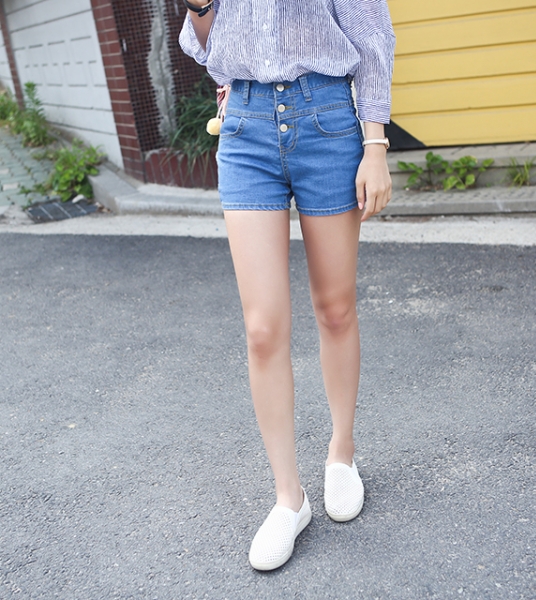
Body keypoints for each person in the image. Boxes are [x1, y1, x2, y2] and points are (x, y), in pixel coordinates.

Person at [179, 0, 395, 571]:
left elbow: (373, 34)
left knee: (335, 308)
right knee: (262, 329)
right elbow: (207, 43)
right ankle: (288, 498)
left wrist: (375, 144)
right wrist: (199, 5)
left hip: (328, 118)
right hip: (245, 126)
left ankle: (341, 453)